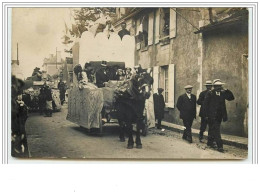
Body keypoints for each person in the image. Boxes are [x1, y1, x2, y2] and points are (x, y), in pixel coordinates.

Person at [203, 79, 234, 152]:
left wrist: (226, 90)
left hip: (219, 116)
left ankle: (209, 143)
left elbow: (231, 98)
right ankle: (220, 146)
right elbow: (205, 105)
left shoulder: (223, 93)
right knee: (216, 130)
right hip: (211, 116)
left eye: (220, 86)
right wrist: (206, 115)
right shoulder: (210, 93)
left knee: (212, 129)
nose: (219, 88)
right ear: (214, 87)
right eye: (217, 86)